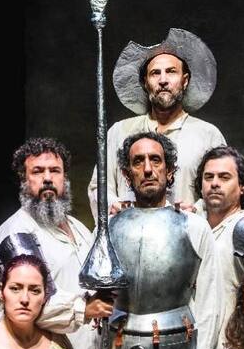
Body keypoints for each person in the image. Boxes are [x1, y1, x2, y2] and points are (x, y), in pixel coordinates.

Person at [107, 131, 223, 349]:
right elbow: (98, 296)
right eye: (138, 162)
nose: (147, 169)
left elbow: (210, 300)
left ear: (169, 170)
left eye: (155, 160)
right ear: (127, 173)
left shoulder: (194, 226)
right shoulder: (109, 228)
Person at [0, 137, 113, 349]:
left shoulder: (78, 228)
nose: (47, 178)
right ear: (24, 180)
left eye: (54, 171)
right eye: (37, 171)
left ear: (65, 178)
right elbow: (28, 303)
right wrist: (85, 308)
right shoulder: (16, 234)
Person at [88, 28, 226, 220]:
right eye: (155, 73)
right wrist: (116, 207)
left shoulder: (208, 135)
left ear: (185, 80)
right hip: (129, 232)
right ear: (145, 83)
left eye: (171, 72)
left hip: (186, 234)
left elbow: (222, 188)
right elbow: (98, 187)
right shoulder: (120, 132)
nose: (163, 80)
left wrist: (195, 212)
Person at [194, 145, 244, 323]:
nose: (215, 183)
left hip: (231, 337)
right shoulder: (194, 226)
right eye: (208, 177)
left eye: (224, 177)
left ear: (242, 186)